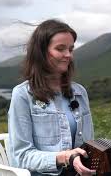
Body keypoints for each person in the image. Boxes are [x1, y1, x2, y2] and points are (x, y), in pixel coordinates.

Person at [7, 19, 95, 176]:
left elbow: (88, 145)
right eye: (60, 49)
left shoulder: (79, 92)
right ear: (40, 52)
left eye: (71, 49)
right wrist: (65, 157)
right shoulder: (22, 95)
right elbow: (21, 156)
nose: (68, 55)